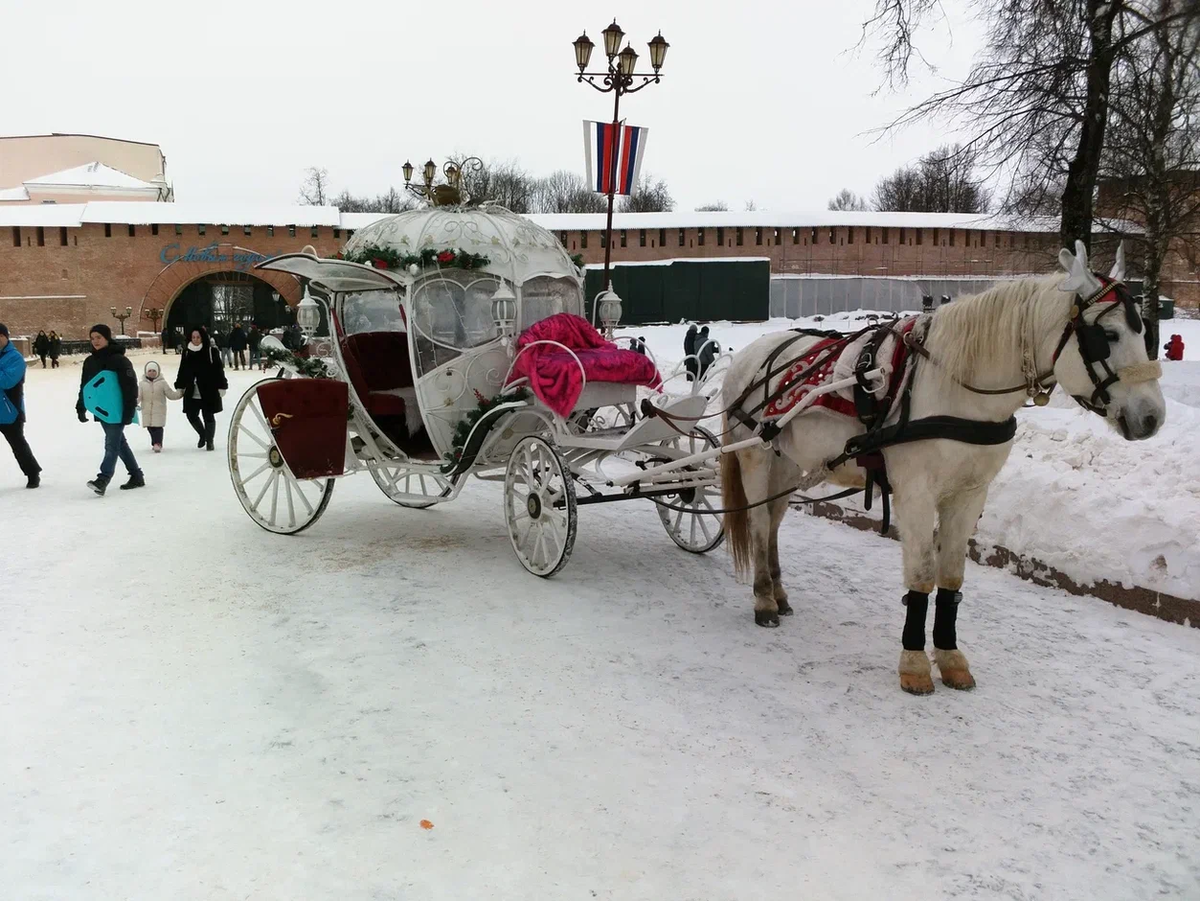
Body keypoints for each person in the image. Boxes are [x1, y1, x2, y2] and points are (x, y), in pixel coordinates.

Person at [76, 324, 142, 495]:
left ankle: (103, 478)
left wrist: (129, 410)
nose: (95, 341)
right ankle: (136, 476)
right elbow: (86, 386)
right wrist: (81, 406)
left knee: (111, 444)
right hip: (102, 409)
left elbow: (130, 387)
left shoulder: (119, 360)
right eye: (92, 338)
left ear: (107, 338)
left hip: (118, 409)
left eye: (99, 337)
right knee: (119, 443)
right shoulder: (90, 361)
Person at [0, 323, 42, 488]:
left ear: (4, 337)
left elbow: (7, 381)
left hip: (10, 410)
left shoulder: (15, 357)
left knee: (18, 445)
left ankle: (32, 473)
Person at [175, 326, 227, 452]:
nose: (196, 339)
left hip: (208, 389)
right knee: (191, 415)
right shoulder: (187, 352)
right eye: (193, 337)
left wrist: (222, 385)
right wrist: (180, 385)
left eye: (198, 337)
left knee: (208, 415)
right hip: (192, 389)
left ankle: (210, 441)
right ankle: (203, 434)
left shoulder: (211, 351)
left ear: (202, 337)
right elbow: (182, 370)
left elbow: (218, 370)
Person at [137, 361, 183, 452]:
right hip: (147, 410)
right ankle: (154, 443)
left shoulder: (162, 383)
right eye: (150, 371)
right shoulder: (142, 384)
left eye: (154, 371)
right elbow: (139, 396)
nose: (152, 373)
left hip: (159, 410)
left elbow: (170, 395)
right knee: (150, 428)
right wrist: (134, 402)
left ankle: (158, 443)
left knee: (158, 428)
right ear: (146, 372)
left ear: (158, 372)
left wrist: (180, 393)